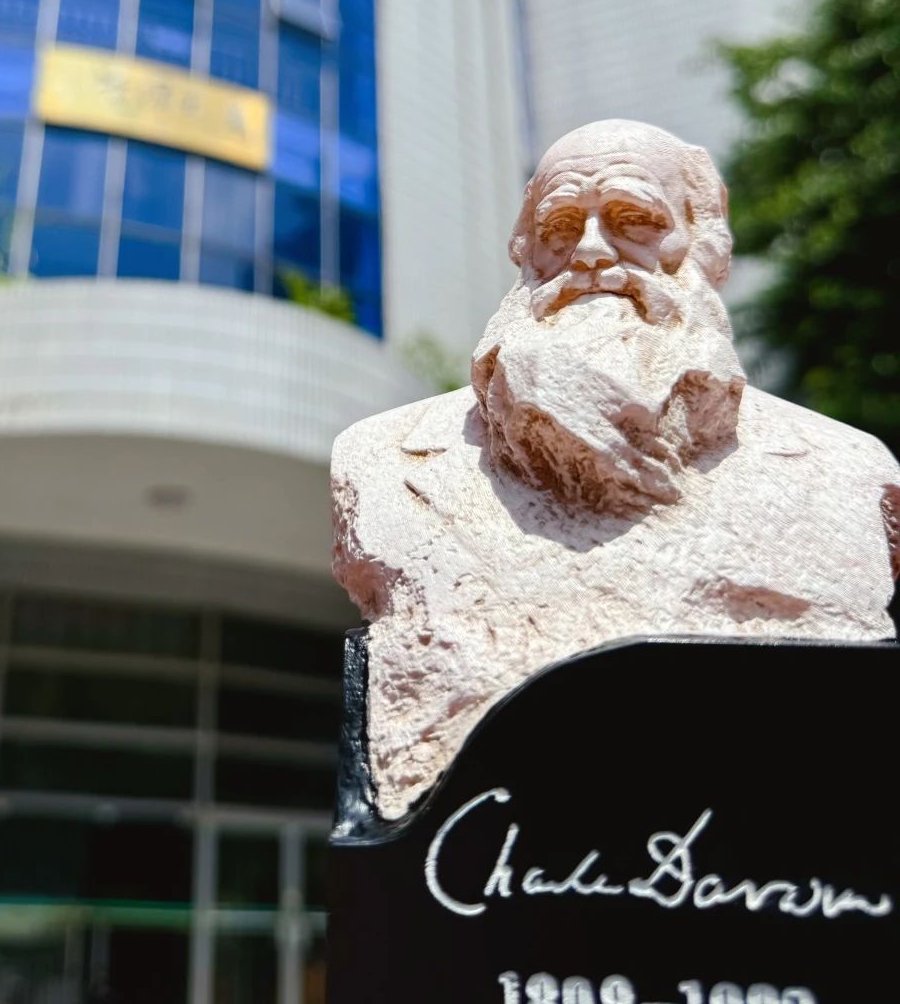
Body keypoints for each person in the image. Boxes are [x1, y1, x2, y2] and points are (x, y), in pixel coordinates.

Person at [332, 120, 898, 818]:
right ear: (525, 251)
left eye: (635, 220)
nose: (592, 252)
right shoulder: (382, 456)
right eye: (561, 226)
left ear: (705, 243)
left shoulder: (849, 469)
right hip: (493, 852)